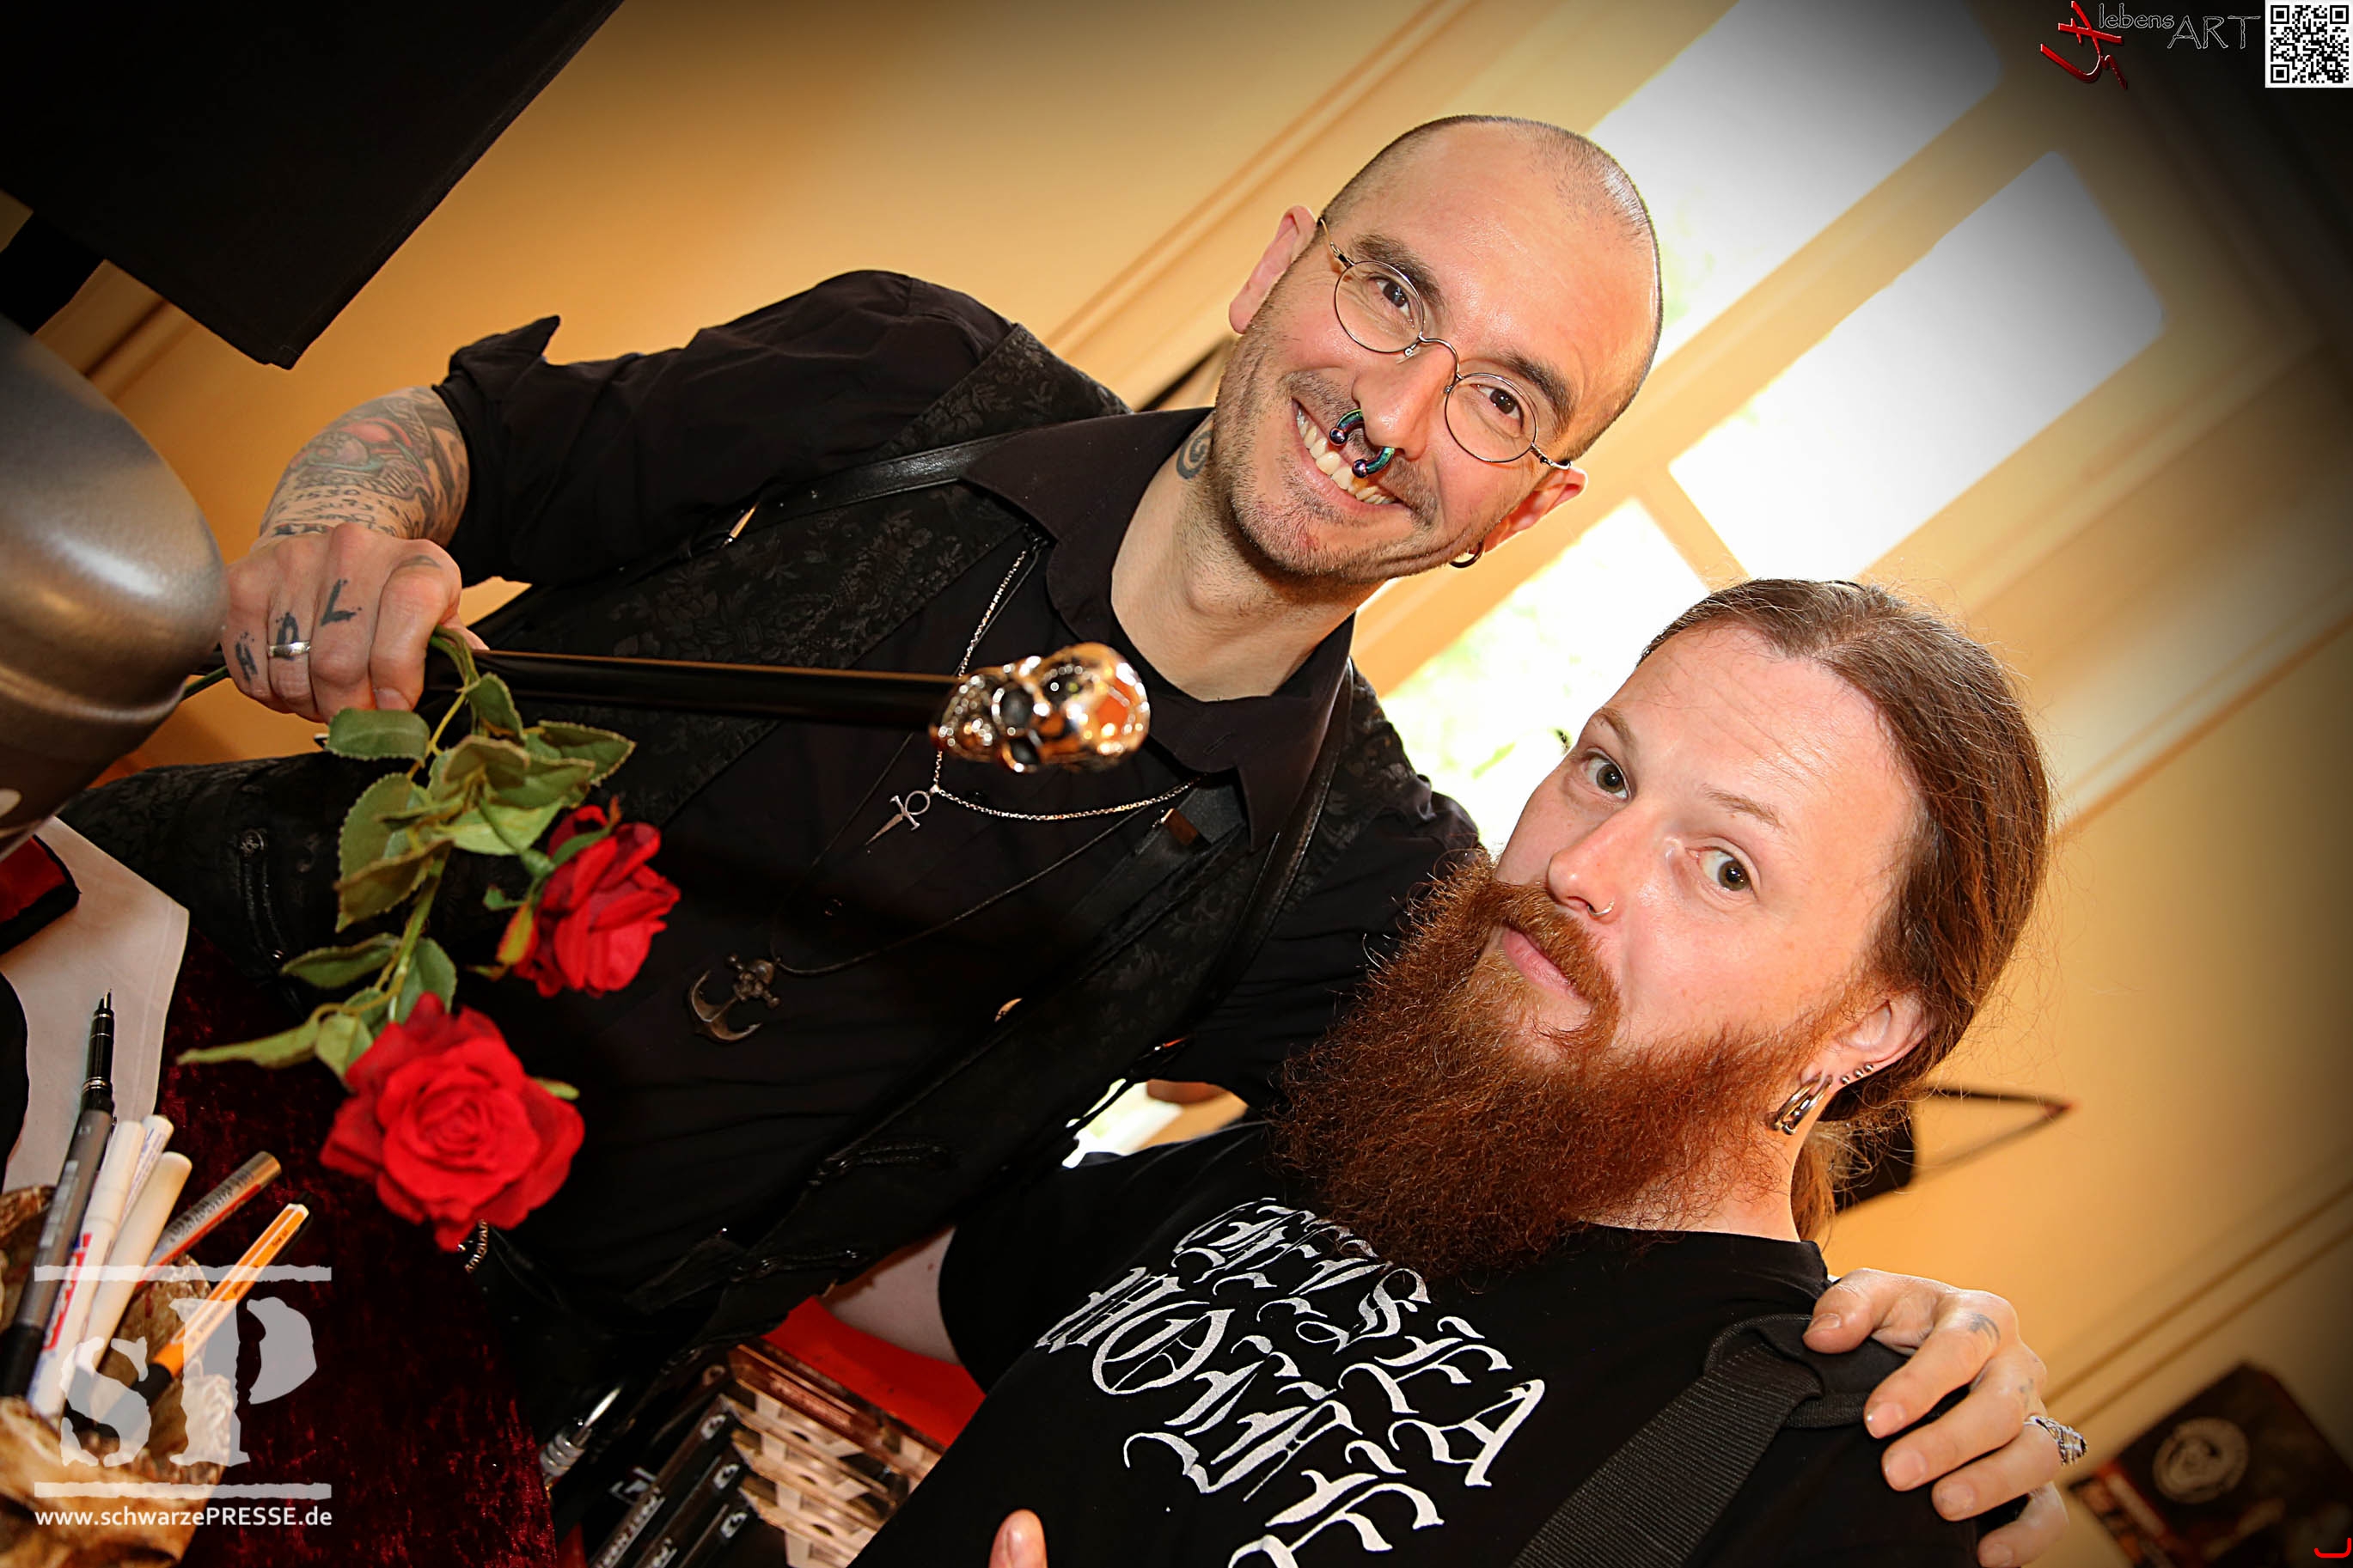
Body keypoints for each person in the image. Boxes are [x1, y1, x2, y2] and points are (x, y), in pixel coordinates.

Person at [64, 119, 2058, 1549]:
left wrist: (1901, 1348)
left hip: (454, 1357)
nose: (1391, 409)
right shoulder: (910, 376)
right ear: (1277, 267)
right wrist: (353, 515)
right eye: (1389, 292)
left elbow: (1614, 1112)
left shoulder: (1368, 879)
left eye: (1502, 399)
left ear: (1522, 506)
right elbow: (478, 445)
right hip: (155, 990)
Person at [828, 580, 2073, 1567]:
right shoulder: (1375, 1147)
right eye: (1606, 772)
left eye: (1725, 867)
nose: (1582, 865)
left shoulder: (1841, 1469)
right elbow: (911, 1273)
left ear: (1871, 1024)